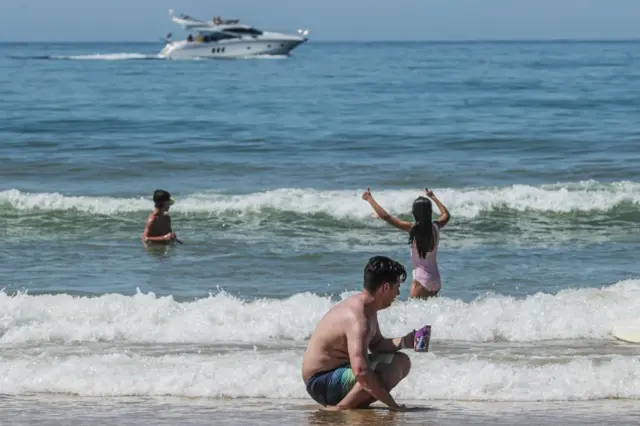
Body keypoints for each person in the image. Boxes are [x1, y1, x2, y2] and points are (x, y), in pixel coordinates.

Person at [301, 256, 414, 411]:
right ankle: (342, 408)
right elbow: (361, 371)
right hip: (321, 382)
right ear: (386, 287)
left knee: (401, 361)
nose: (398, 292)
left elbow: (377, 345)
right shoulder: (358, 318)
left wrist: (406, 341)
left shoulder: (367, 307)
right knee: (390, 367)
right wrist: (392, 405)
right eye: (397, 287)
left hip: (334, 374)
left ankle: (346, 404)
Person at [362, 187, 450, 299]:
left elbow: (386, 217)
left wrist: (369, 199)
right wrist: (433, 197)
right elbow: (446, 215)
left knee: (413, 313)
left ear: (415, 212)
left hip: (421, 279)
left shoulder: (413, 228)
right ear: (430, 211)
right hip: (436, 279)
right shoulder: (436, 227)